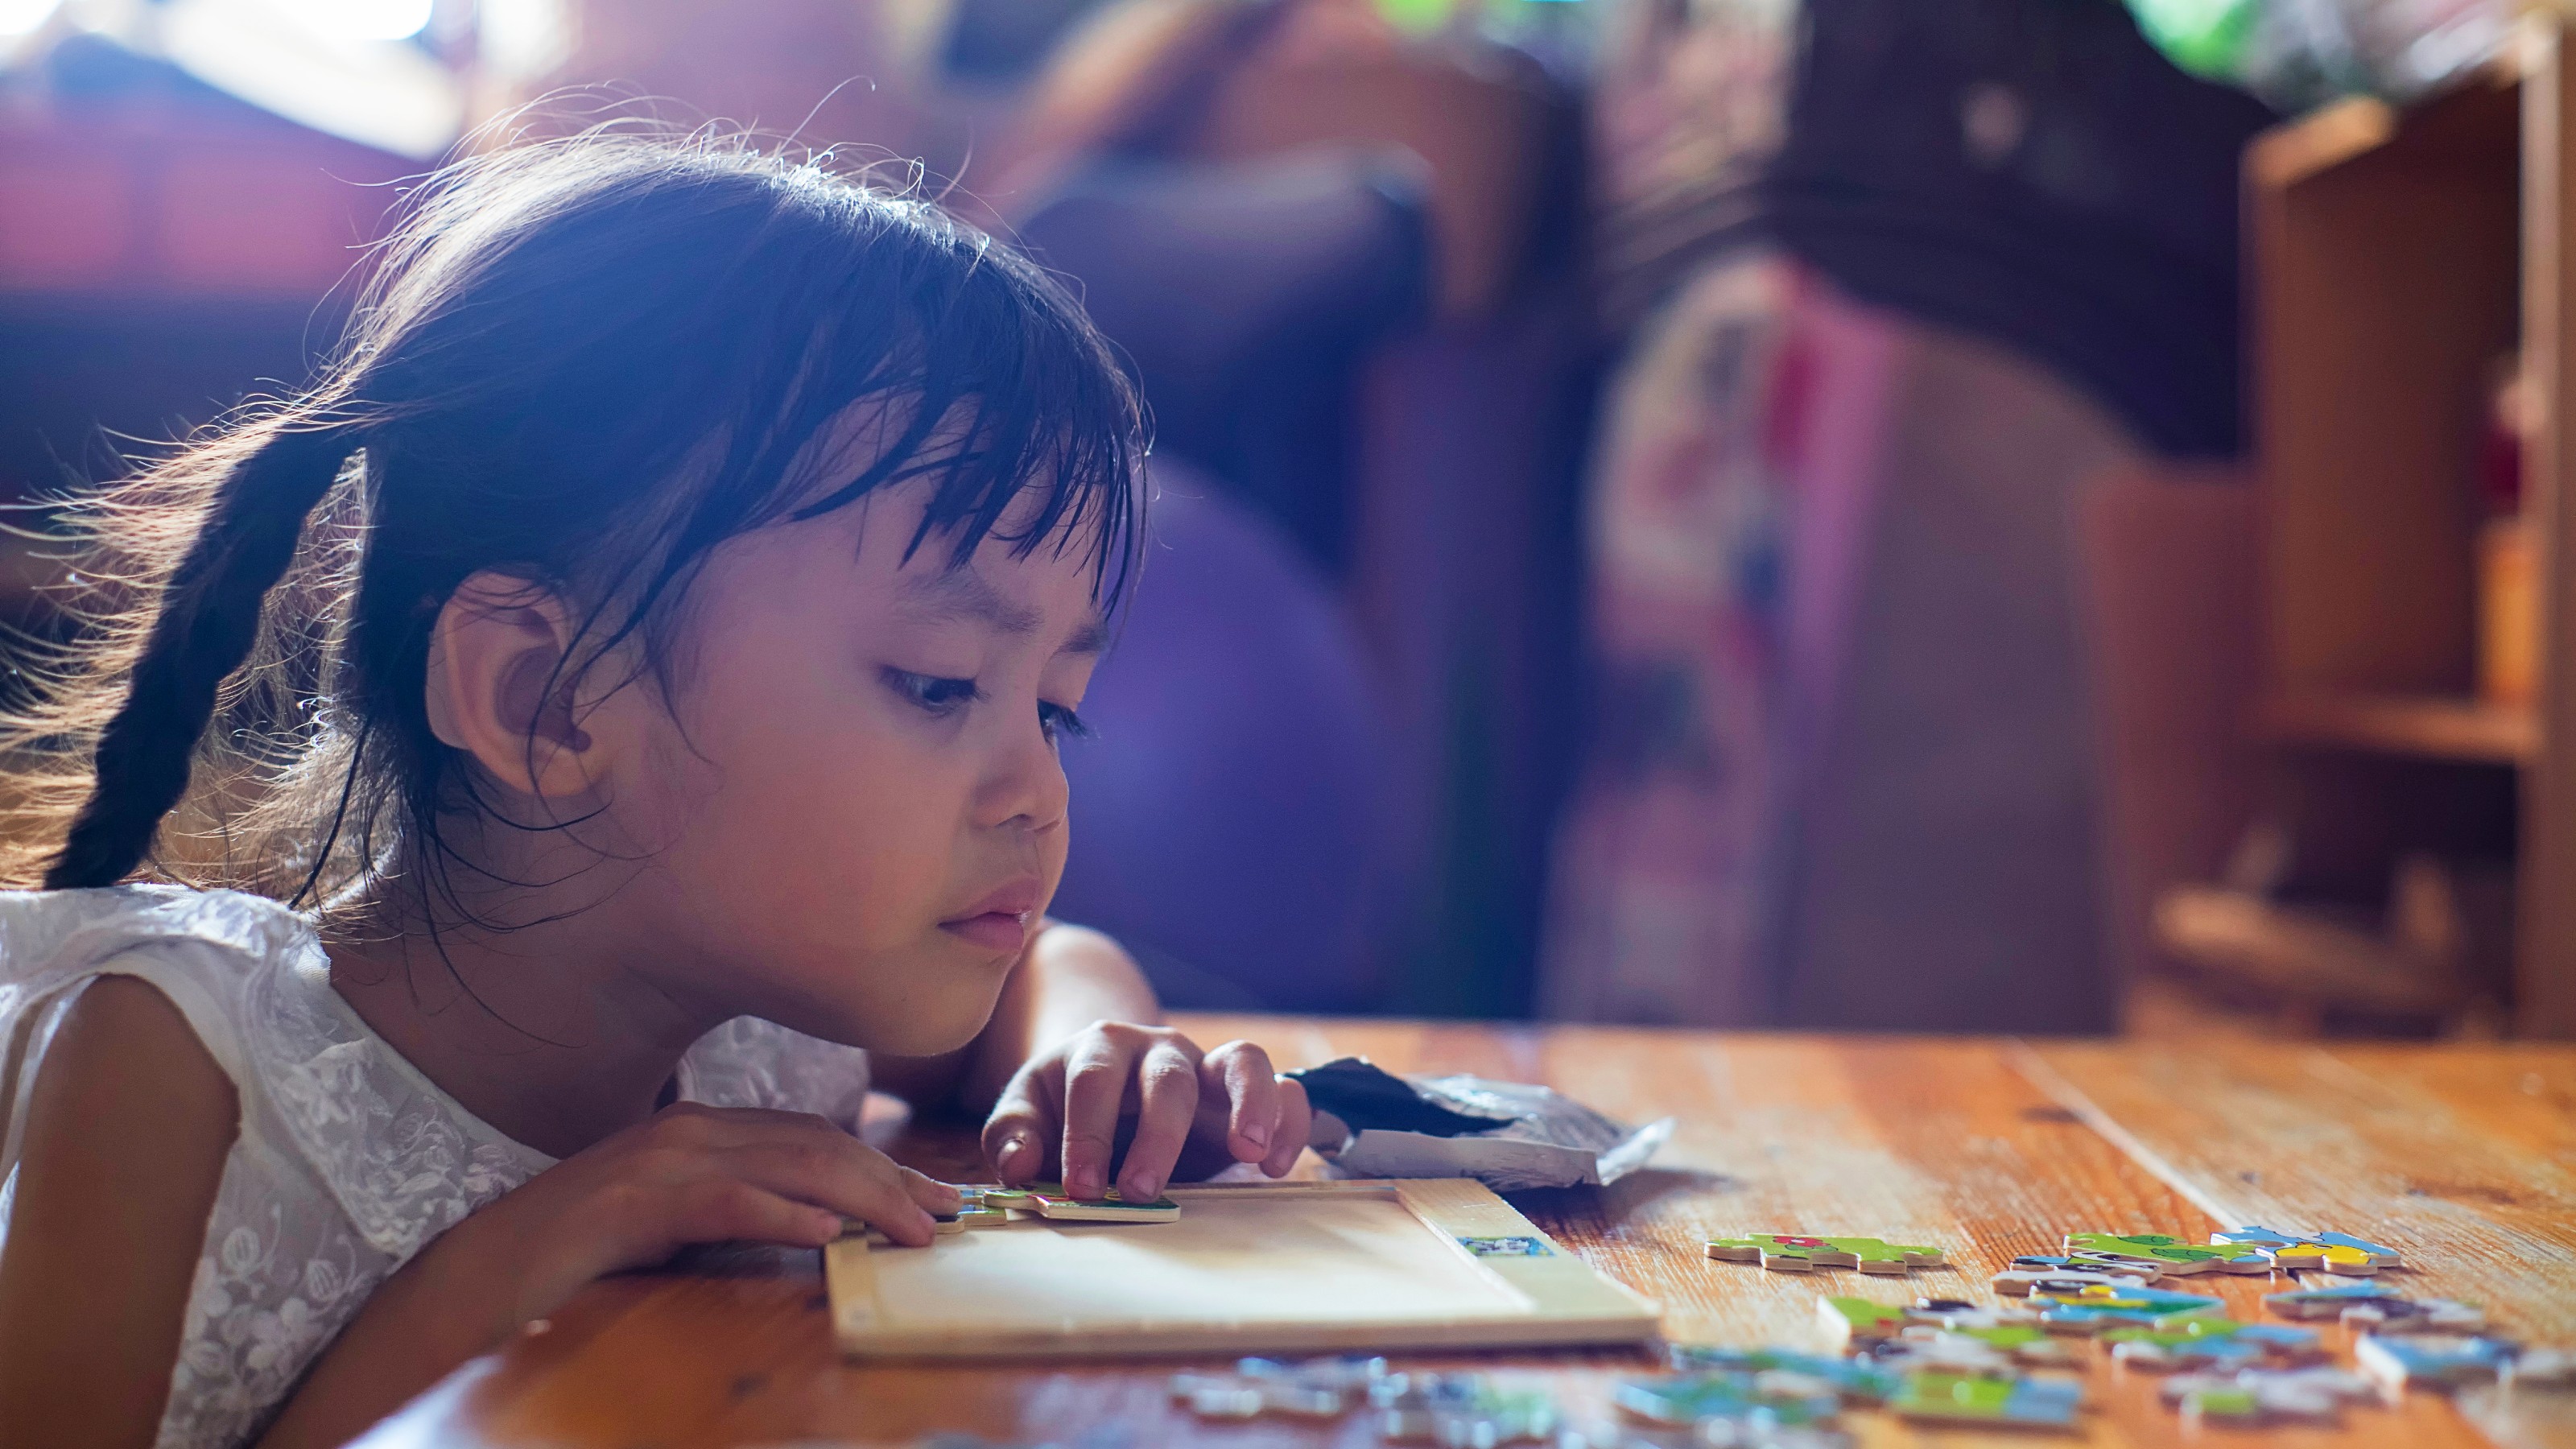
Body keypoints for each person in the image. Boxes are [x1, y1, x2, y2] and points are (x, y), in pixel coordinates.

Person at [0, 131, 1313, 1449]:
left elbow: (1035, 976)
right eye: (937, 683)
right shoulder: (172, 1066)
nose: (1036, 791)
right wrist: (533, 1251)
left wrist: (1087, 1054)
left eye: (1057, 711)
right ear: (547, 699)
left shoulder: (752, 1026)